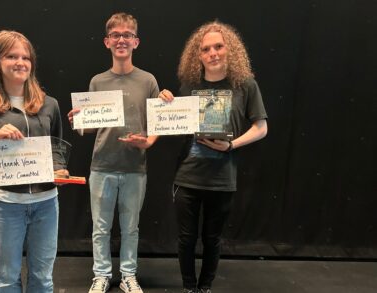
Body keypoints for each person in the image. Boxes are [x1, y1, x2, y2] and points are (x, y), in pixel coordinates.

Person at [159, 21, 268, 293]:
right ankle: (188, 288)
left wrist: (232, 146)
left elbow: (261, 127)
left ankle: (205, 288)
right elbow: (175, 124)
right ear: (199, 55)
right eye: (206, 49)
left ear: (229, 49)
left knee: (212, 238)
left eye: (218, 46)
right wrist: (165, 103)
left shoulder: (245, 85)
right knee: (186, 239)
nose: (213, 53)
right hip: (188, 176)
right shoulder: (189, 86)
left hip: (222, 178)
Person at [0, 30, 67, 293]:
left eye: (26, 57)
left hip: (46, 205)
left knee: (43, 279)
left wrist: (59, 168)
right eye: (12, 56)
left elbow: (55, 146)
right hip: (5, 207)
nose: (20, 62)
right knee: (7, 278)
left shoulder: (49, 105)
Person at [68, 12, 159, 293]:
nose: (122, 40)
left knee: (130, 227)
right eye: (116, 35)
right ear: (107, 42)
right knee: (101, 227)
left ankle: (128, 275)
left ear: (136, 42)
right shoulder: (97, 82)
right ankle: (102, 275)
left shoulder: (148, 81)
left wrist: (147, 143)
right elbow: (95, 126)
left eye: (127, 35)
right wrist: (78, 122)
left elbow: (158, 123)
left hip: (135, 167)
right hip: (102, 166)